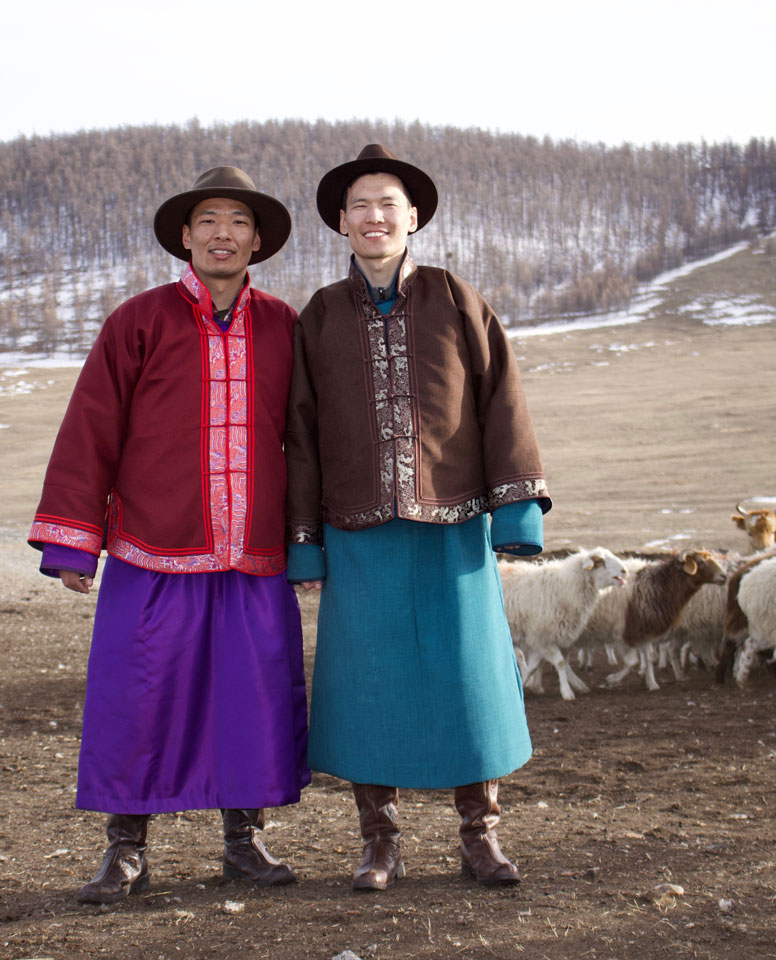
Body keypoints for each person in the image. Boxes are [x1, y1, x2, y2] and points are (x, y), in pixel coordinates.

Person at [28, 166, 310, 903]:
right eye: (209, 221)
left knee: (251, 698)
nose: (224, 234)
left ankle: (243, 844)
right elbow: (92, 428)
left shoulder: (285, 325)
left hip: (252, 552)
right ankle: (126, 849)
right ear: (186, 237)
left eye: (239, 222)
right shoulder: (138, 321)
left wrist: (312, 539)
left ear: (258, 239)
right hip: (152, 548)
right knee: (138, 696)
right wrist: (71, 541)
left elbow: (310, 439)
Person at [285, 144, 551, 890]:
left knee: (472, 681)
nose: (374, 216)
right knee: (366, 685)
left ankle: (481, 838)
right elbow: (299, 434)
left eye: (387, 203)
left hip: (454, 526)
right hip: (357, 533)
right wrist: (304, 545)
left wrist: (517, 513)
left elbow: (504, 399)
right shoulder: (321, 316)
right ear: (342, 222)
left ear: (413, 218)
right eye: (360, 205)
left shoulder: (455, 298)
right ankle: (381, 844)